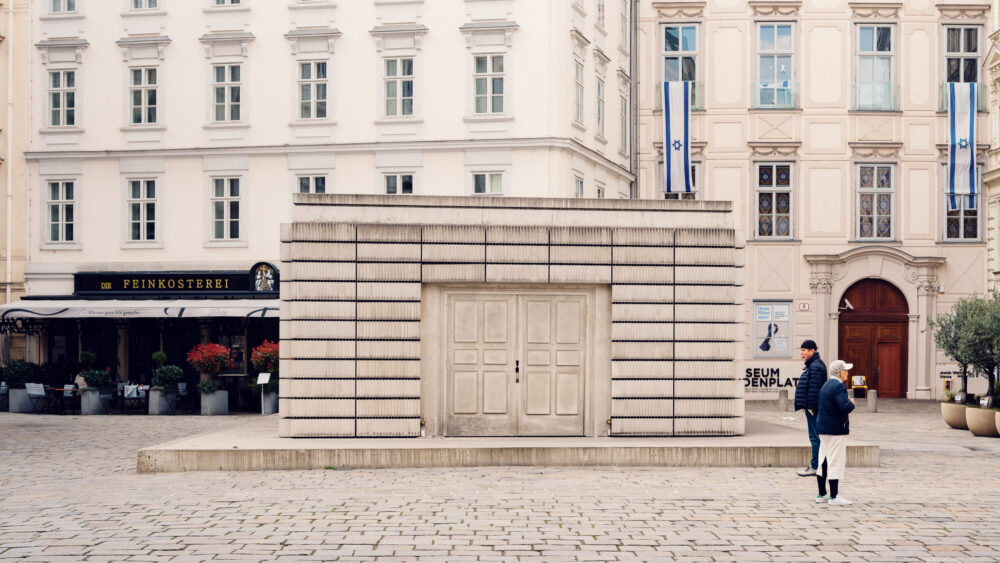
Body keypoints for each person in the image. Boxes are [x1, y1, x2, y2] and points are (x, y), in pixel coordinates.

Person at [815, 359, 856, 505]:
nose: (848, 373)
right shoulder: (839, 387)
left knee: (823, 460)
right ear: (840, 373)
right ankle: (834, 496)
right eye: (846, 371)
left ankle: (821, 494)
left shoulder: (826, 385)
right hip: (835, 429)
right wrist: (851, 403)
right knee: (835, 461)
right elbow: (843, 407)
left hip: (823, 428)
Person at [793, 339, 826, 477]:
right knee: (815, 437)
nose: (802, 353)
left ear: (812, 351)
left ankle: (815, 466)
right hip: (813, 408)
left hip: (814, 409)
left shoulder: (815, 366)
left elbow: (814, 389)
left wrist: (811, 407)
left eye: (804, 350)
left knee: (815, 437)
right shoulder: (813, 365)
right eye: (801, 350)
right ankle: (817, 465)